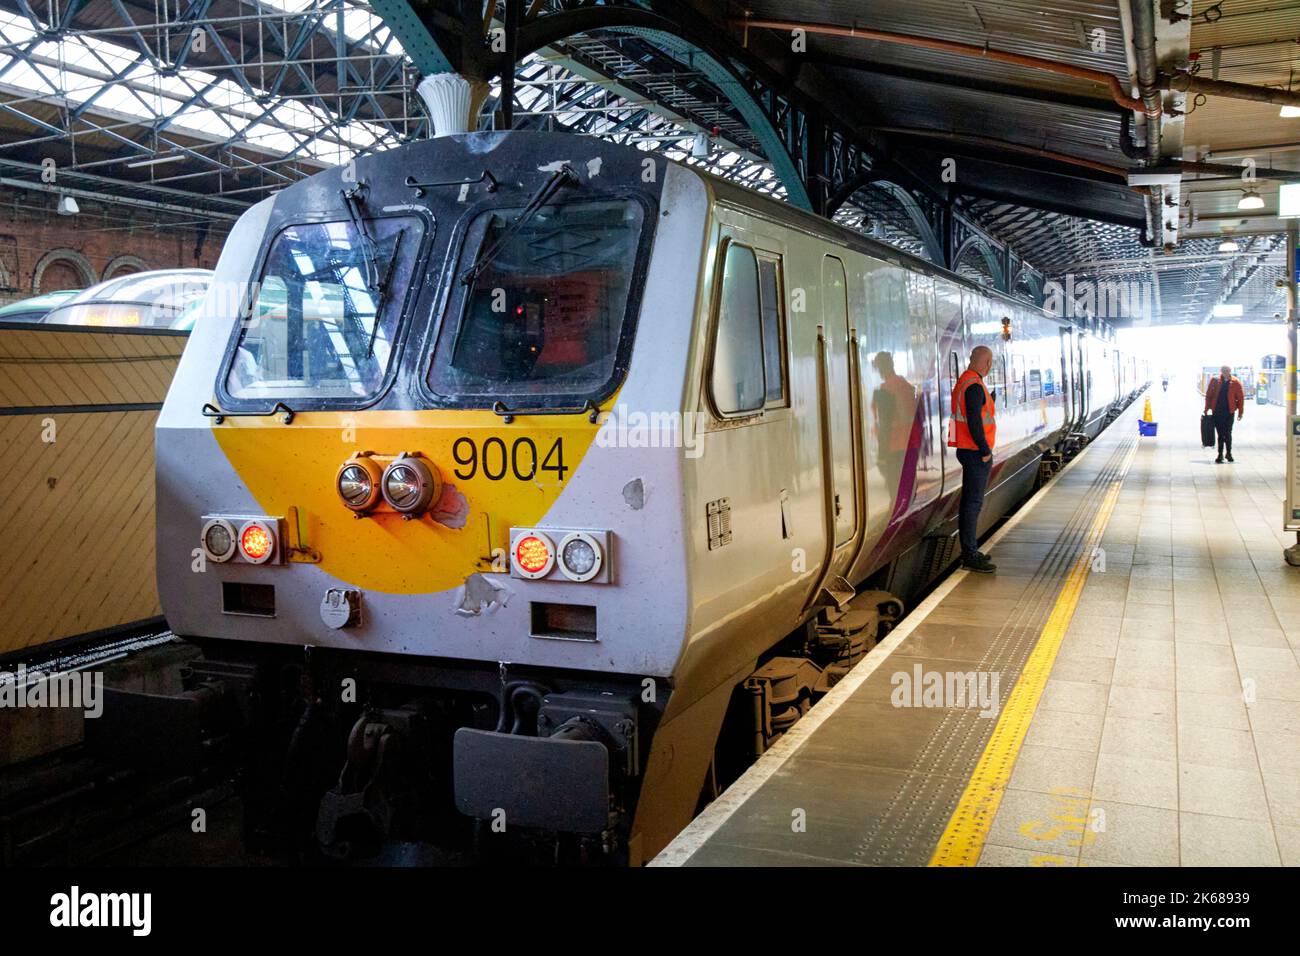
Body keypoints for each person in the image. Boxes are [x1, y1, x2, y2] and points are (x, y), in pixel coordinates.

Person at [948, 346, 997, 573]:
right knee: (972, 503)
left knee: (971, 502)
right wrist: (985, 450)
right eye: (989, 363)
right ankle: (969, 554)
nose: (989, 367)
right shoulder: (974, 386)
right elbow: (975, 422)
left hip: (967, 449)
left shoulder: (965, 381)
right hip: (975, 452)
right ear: (985, 362)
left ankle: (970, 551)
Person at [1203, 365, 1244, 463]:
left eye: (1227, 370)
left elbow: (1240, 398)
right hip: (1217, 412)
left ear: (1230, 371)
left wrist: (1240, 412)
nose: (1225, 372)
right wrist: (1206, 408)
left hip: (1229, 412)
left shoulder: (1236, 382)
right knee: (1220, 434)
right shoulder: (1215, 380)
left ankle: (1228, 453)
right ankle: (1220, 454)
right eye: (1223, 370)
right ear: (1221, 371)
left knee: (1228, 433)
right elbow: (1209, 395)